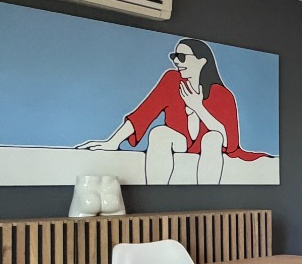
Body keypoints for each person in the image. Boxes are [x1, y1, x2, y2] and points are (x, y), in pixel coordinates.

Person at [77, 37, 267, 183]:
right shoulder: (171, 80)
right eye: (174, 56)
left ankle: (208, 200)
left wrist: (198, 107)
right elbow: (144, 114)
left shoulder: (222, 95)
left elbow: (229, 142)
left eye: (182, 57)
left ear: (202, 61)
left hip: (209, 145)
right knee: (159, 132)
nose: (176, 61)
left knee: (213, 138)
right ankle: (156, 196)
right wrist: (113, 142)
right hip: (181, 142)